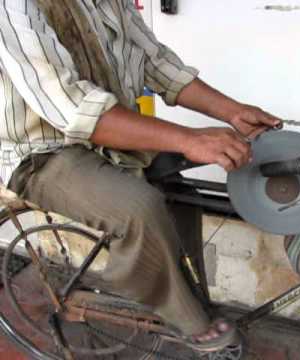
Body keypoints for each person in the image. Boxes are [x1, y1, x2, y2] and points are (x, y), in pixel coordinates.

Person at [0, 0, 281, 351]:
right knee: (140, 207)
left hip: (110, 134)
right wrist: (190, 138)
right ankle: (175, 309)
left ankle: (181, 289)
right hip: (42, 150)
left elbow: (155, 61)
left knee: (181, 194)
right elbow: (71, 108)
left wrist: (234, 112)